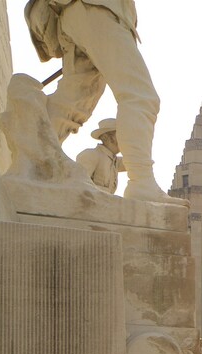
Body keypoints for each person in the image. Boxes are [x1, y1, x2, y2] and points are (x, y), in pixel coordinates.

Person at [24, 0, 186, 205]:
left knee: (73, 103)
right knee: (140, 96)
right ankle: (141, 181)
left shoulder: (110, 160)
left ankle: (33, 162)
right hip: (97, 8)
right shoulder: (92, 156)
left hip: (79, 13)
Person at [76, 118, 123, 193]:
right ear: (107, 138)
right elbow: (78, 186)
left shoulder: (116, 161)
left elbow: (140, 162)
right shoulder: (91, 155)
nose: (124, 140)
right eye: (120, 136)